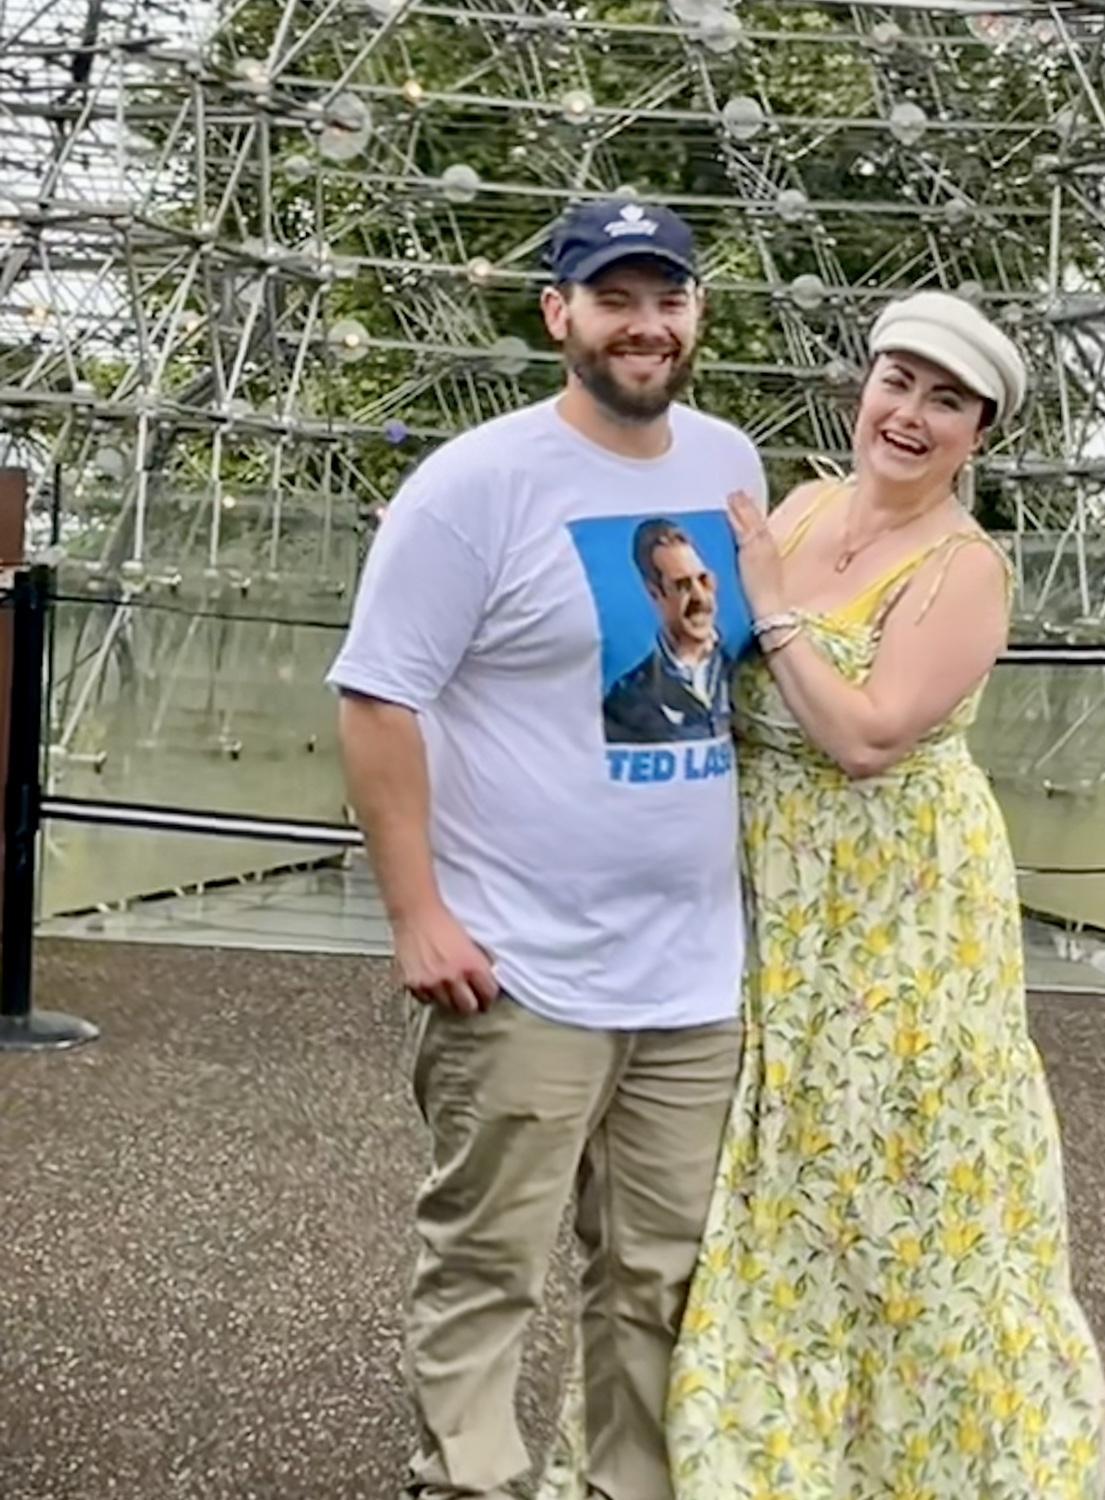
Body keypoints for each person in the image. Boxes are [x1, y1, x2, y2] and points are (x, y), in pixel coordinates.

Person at [327, 196, 766, 1500]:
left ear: (695, 314)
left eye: (667, 299)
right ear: (557, 314)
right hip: (523, 965)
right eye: (614, 299)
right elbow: (378, 698)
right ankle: (465, 1478)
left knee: (661, 1272)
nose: (645, 325)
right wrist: (417, 913)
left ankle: (627, 1484)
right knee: (489, 1259)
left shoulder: (731, 464)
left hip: (694, 977)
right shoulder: (476, 486)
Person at [664, 290, 1105, 1498]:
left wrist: (771, 603)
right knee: (772, 1173)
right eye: (897, 382)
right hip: (775, 893)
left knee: (896, 1176)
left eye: (946, 401)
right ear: (863, 387)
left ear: (979, 434)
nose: (910, 415)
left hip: (899, 915)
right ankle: (764, 1450)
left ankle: (930, 1462)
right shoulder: (805, 507)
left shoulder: (965, 568)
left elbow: (866, 738)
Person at [603, 519, 732, 743]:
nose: (699, 597)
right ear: (655, 594)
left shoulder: (741, 661)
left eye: (704, 580)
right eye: (682, 586)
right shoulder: (629, 698)